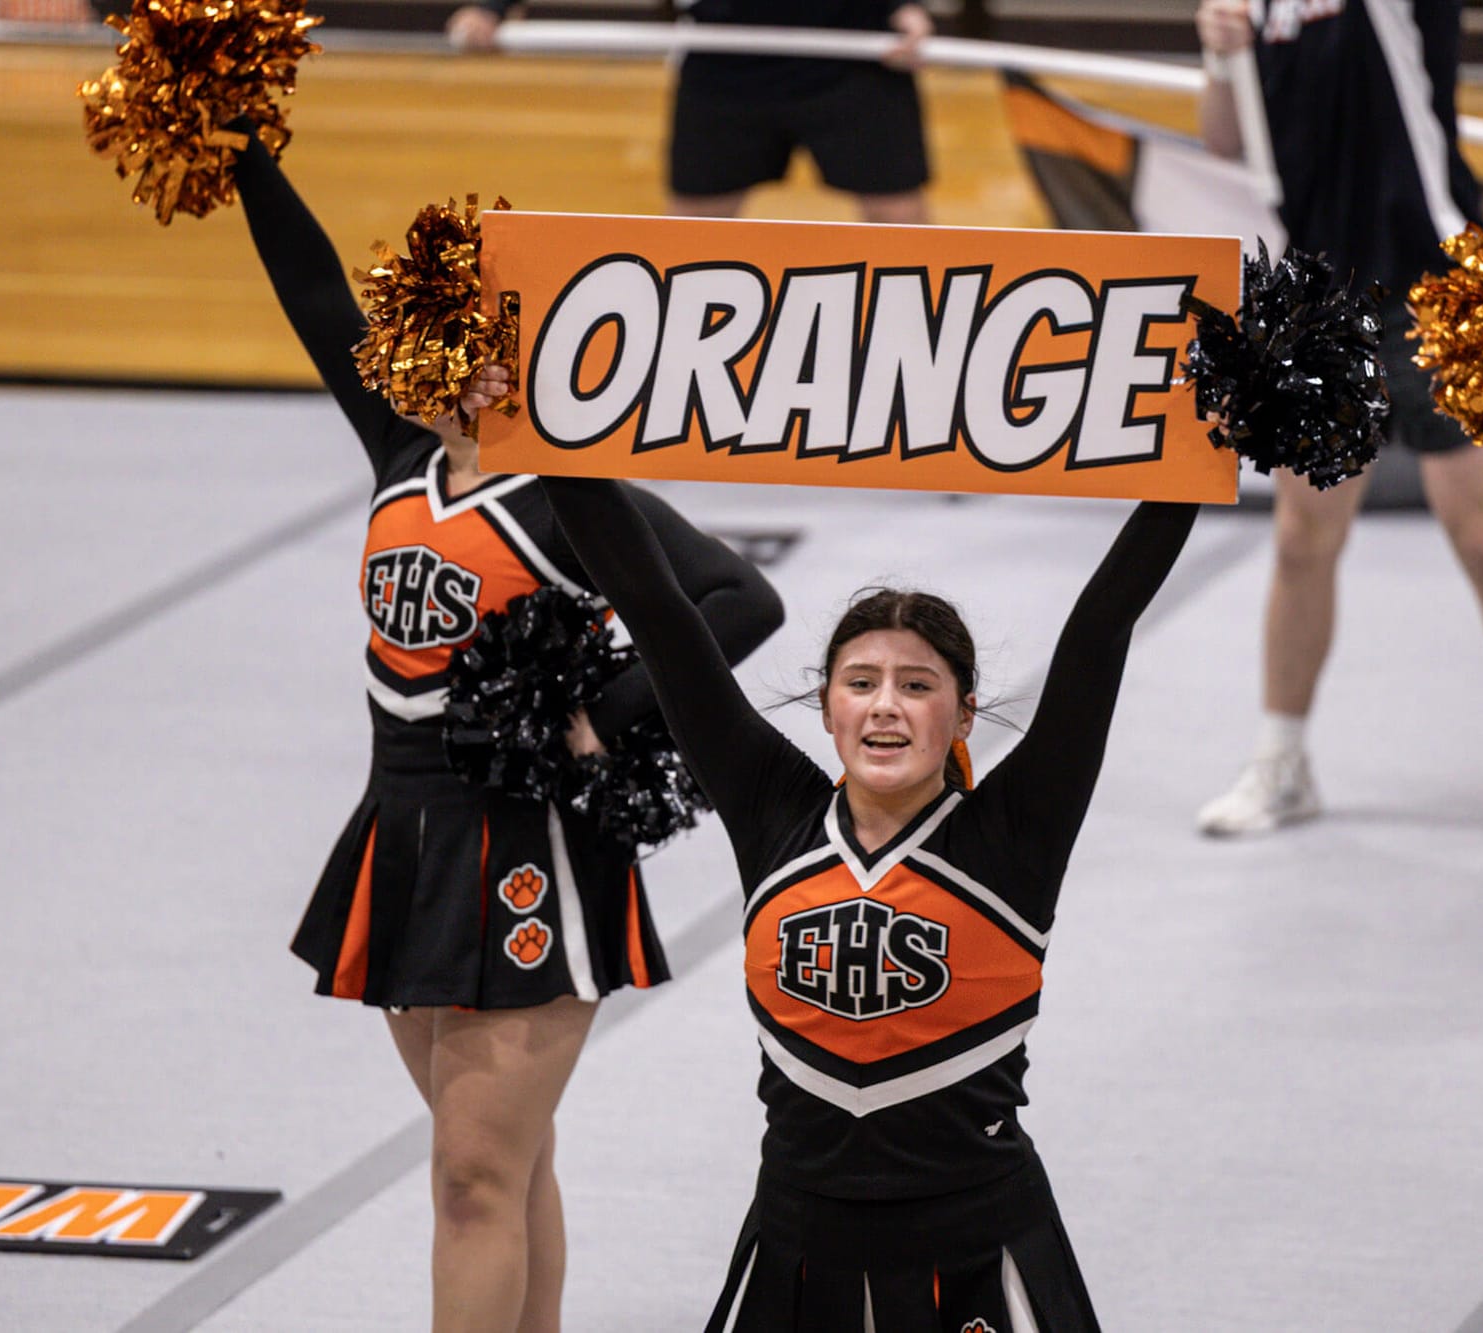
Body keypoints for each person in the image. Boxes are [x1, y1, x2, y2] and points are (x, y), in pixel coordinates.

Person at [457, 362, 1196, 1331]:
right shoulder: (773, 809)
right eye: (860, 682)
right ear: (826, 706)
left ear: (962, 712)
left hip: (977, 1249)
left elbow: (1099, 631)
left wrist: (1197, 452)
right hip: (798, 1245)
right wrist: (537, 430)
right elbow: (655, 607)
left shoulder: (1013, 833)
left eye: (916, 684)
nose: (885, 704)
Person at [230, 135, 785, 1333]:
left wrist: (599, 709)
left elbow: (744, 601)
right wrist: (246, 155)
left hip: (525, 844)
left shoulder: (571, 494)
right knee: (498, 1164)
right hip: (403, 832)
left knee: (472, 1176)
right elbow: (312, 288)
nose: (433, 365)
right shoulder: (399, 454)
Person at [1192, 0, 1483, 852]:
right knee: (1302, 541)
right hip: (1318, 294)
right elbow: (1224, 138)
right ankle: (1283, 763)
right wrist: (1216, 51)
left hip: (1445, 281)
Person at [444, 0, 936, 225]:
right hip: (723, 65)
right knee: (694, 233)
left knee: (900, 221)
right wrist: (492, 6)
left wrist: (906, 7)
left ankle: (926, 337)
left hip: (855, 59)